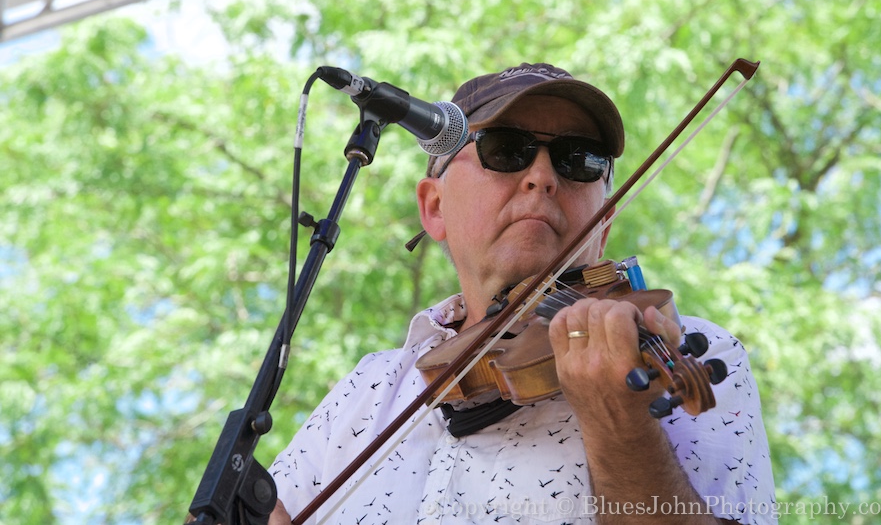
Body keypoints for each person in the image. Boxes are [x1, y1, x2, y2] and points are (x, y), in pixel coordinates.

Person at [268, 63, 776, 524]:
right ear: (435, 207)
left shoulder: (687, 349)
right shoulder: (369, 387)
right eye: (506, 149)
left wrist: (622, 426)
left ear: (604, 226)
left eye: (577, 159)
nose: (542, 177)